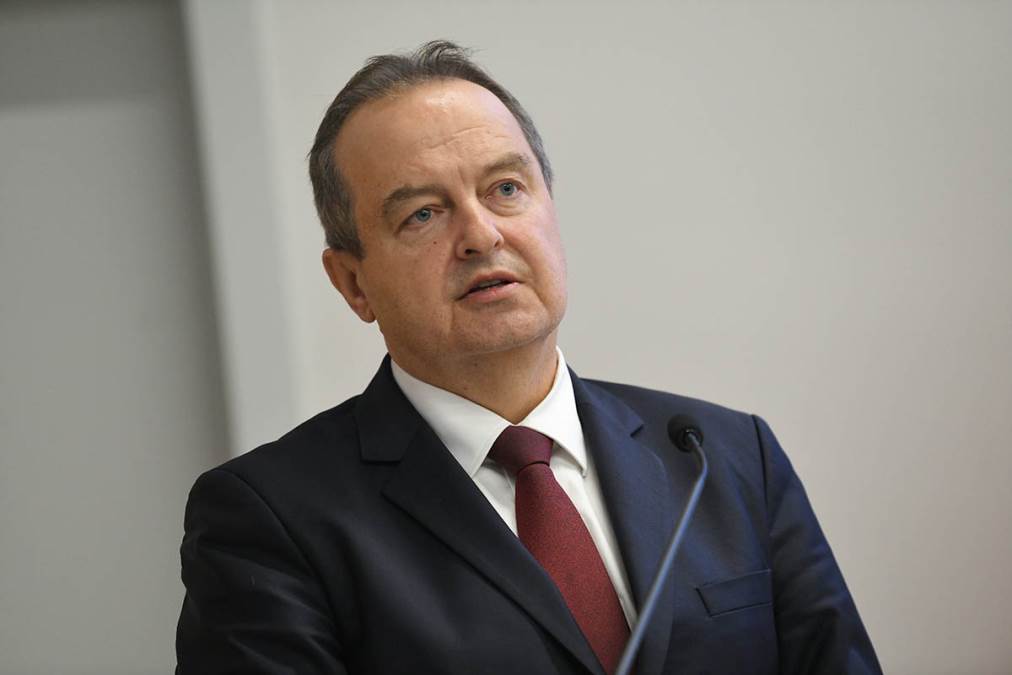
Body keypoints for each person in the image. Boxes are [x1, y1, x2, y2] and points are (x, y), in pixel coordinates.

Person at [176, 40, 881, 674]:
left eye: (506, 189)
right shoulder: (270, 520)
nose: (481, 234)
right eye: (423, 213)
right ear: (353, 282)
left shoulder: (724, 456)